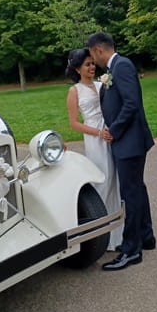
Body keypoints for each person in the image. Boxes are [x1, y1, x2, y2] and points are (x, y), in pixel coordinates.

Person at [86, 32, 155, 271]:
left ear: (98, 50)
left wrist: (113, 130)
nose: (93, 61)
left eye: (93, 55)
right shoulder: (116, 68)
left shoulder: (122, 66)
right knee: (137, 188)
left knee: (130, 194)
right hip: (128, 141)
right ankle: (146, 237)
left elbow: (131, 104)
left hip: (129, 141)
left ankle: (131, 250)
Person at [65, 48, 124, 251]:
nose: (92, 67)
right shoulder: (74, 91)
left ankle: (119, 233)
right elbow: (74, 123)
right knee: (103, 179)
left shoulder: (102, 84)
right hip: (94, 136)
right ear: (77, 68)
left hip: (110, 132)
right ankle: (102, 231)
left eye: (92, 63)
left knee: (115, 179)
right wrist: (98, 133)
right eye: (87, 64)